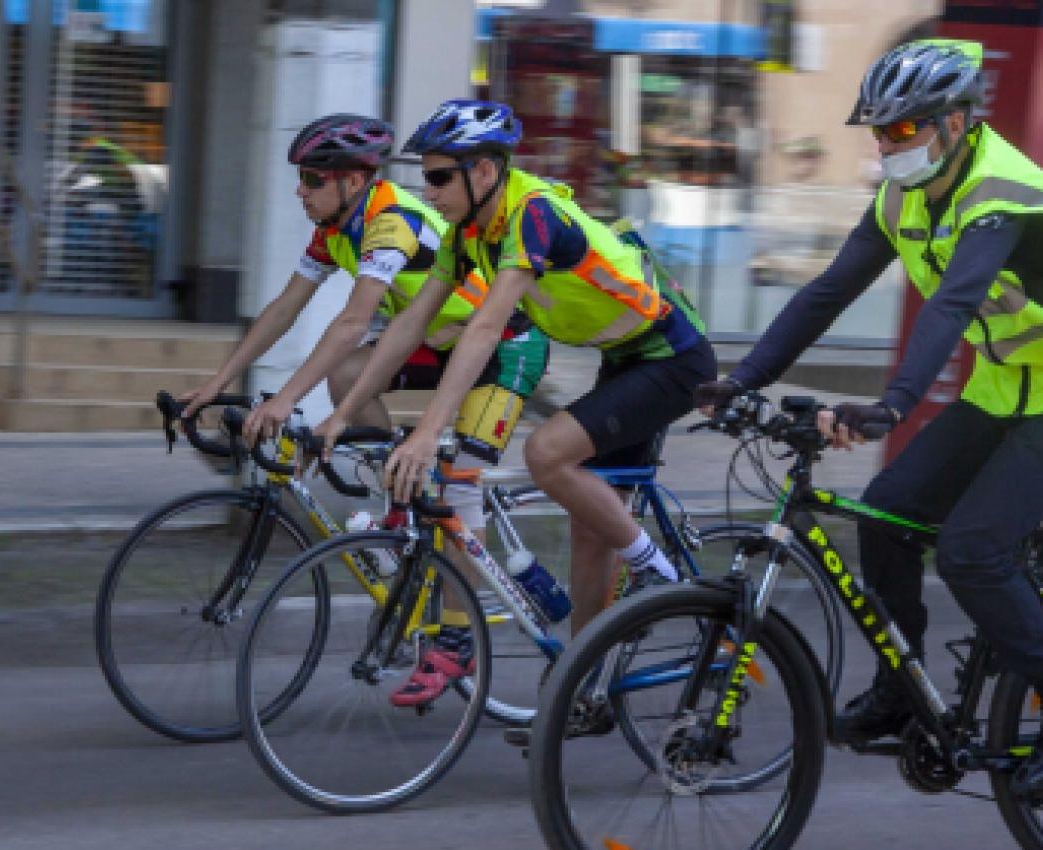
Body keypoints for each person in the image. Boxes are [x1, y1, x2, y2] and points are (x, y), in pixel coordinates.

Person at [696, 40, 1043, 799]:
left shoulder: (1004, 193)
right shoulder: (904, 197)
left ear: (957, 122)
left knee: (974, 552)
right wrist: (741, 379)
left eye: (902, 130)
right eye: (879, 132)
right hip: (1003, 393)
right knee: (885, 516)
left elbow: (954, 302)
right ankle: (901, 688)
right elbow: (827, 293)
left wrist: (893, 406)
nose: (886, 146)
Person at [317, 99, 716, 735]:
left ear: (485, 174)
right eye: (426, 175)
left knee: (547, 453)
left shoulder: (531, 215)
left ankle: (656, 572)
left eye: (442, 176)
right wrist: (341, 411)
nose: (430, 189)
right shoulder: (470, 232)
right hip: (624, 357)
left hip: (672, 357)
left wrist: (425, 434)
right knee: (590, 530)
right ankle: (581, 693)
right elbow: (412, 322)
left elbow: (483, 329)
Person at [180, 115, 549, 707]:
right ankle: (399, 515)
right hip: (437, 342)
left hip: (501, 347)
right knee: (348, 377)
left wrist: (284, 400)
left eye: (311, 178)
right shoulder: (334, 227)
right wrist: (218, 381)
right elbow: (284, 308)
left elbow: (354, 321)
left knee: (457, 486)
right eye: (301, 178)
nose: (300, 190)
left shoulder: (391, 223)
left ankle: (456, 640)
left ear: (353, 181)